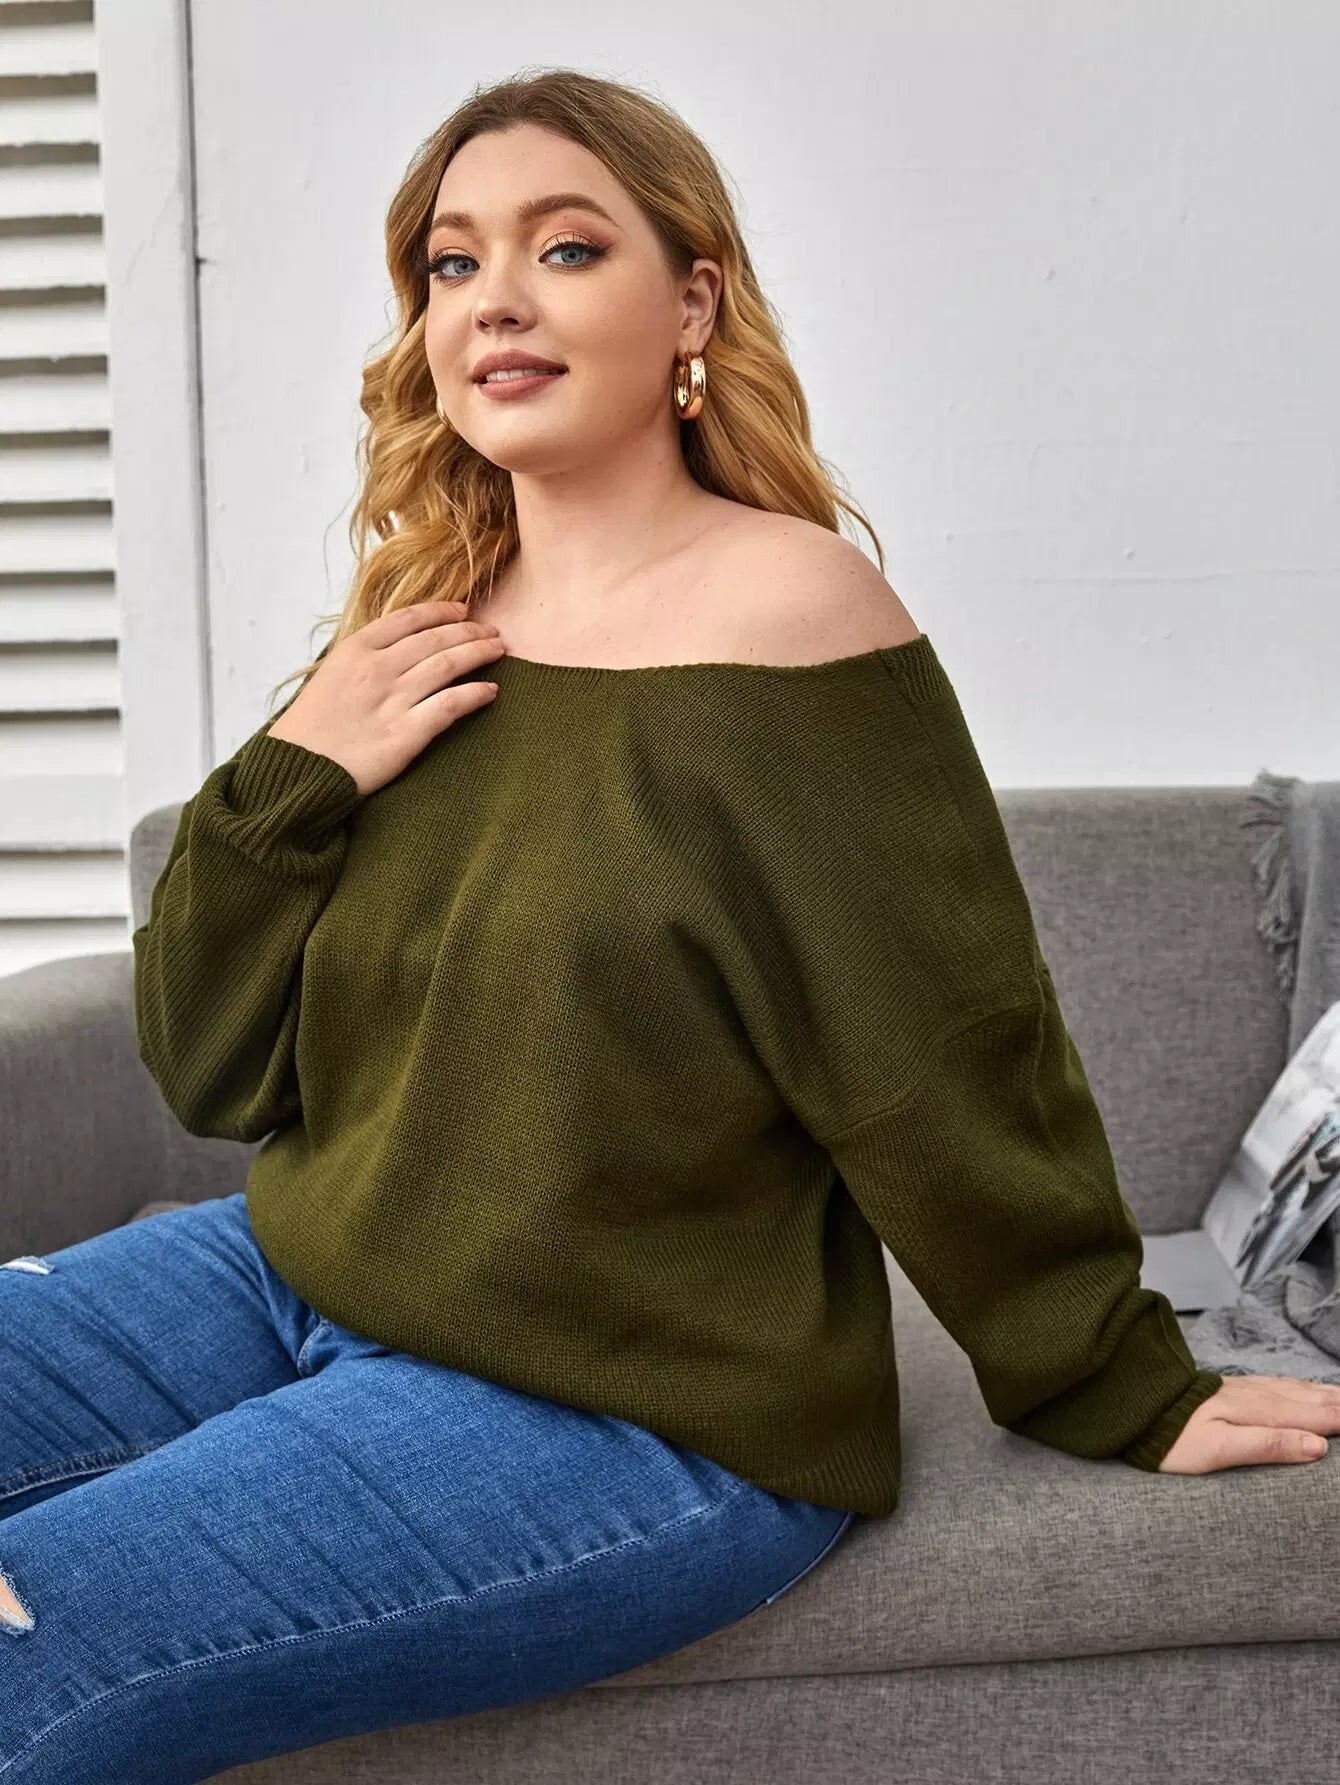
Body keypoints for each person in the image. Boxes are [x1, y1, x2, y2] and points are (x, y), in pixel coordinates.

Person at [2, 65, 1336, 1784]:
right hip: (289, 1268)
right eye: (452, 263)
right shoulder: (423, 626)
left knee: (35, 1638)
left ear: (692, 300)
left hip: (626, 1407)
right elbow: (208, 1067)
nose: (495, 300)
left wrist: (1113, 1372)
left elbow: (945, 1054)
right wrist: (292, 770)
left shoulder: (792, 616)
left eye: (565, 248)